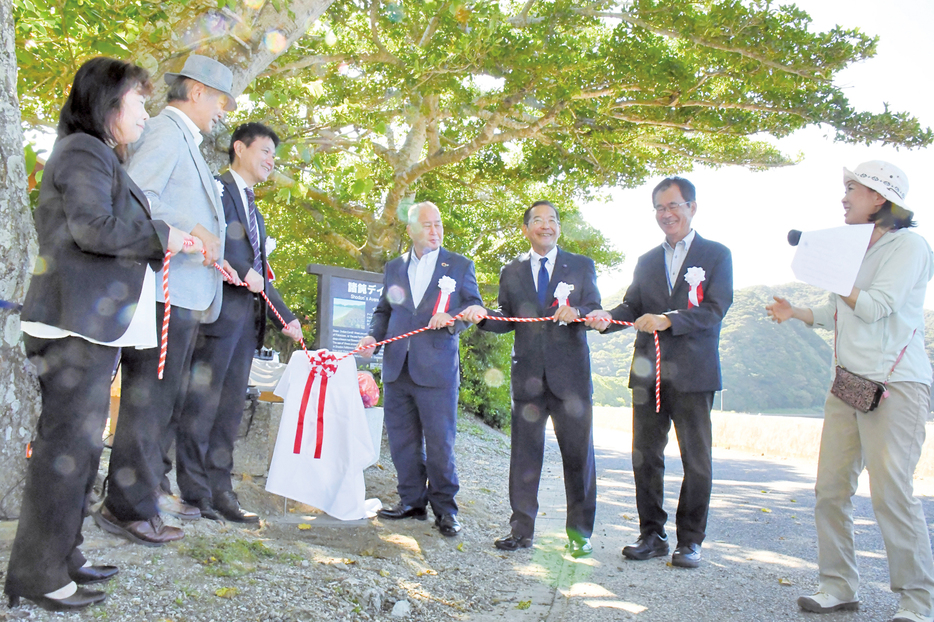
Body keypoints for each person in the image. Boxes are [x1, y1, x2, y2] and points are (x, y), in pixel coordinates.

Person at [4, 57, 201, 611]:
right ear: (108, 104)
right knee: (64, 452)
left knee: (82, 452)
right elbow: (93, 229)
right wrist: (167, 235)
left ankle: (64, 556)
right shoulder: (84, 151)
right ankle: (37, 576)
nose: (144, 112)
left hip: (89, 329)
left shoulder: (97, 155)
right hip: (74, 328)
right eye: (137, 102)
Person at [766, 161, 934, 622]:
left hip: (896, 386)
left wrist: (831, 271)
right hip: (848, 385)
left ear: (879, 199)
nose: (844, 197)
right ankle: (837, 586)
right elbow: (837, 310)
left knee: (891, 492)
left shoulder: (910, 246)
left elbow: (877, 306)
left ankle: (917, 601)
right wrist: (795, 311)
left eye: (852, 189)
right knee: (830, 489)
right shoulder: (856, 250)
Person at [95, 54, 233, 542]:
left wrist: (213, 251)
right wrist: (193, 226)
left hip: (189, 290)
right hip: (164, 291)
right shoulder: (165, 132)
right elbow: (137, 195)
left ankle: (145, 493)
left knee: (164, 402)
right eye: (220, 99)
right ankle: (125, 508)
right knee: (148, 400)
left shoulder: (187, 141)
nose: (223, 111)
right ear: (196, 92)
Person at [585, 177, 733, 569]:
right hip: (646, 375)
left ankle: (691, 540)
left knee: (696, 460)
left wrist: (668, 320)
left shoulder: (717, 255)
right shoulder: (647, 260)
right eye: (659, 208)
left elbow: (714, 310)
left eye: (674, 206)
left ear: (693, 207)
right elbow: (632, 307)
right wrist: (605, 319)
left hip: (694, 375)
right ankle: (651, 534)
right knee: (645, 457)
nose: (666, 214)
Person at [174, 122, 302, 522]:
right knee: (201, 405)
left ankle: (221, 489)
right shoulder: (215, 189)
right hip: (214, 315)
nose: (270, 161)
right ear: (240, 149)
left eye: (273, 156)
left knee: (229, 410)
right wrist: (244, 269)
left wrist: (287, 316)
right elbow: (226, 248)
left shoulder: (257, 211)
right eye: (265, 151)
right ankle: (193, 492)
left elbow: (261, 271)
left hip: (247, 324)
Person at [460, 200, 601, 558]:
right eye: (538, 220)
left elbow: (595, 307)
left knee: (578, 457)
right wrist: (481, 316)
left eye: (552, 220)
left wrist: (580, 312)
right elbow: (507, 319)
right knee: (524, 458)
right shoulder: (513, 270)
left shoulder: (581, 266)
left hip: (571, 380)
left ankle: (580, 535)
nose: (546, 225)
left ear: (558, 228)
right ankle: (521, 531)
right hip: (528, 380)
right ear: (526, 229)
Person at [358, 201, 482, 537]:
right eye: (426, 225)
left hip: (437, 369)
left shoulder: (458, 265)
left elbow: (475, 305)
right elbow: (384, 311)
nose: (435, 231)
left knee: (440, 443)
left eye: (438, 224)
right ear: (411, 229)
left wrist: (454, 319)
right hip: (398, 366)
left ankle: (445, 511)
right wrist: (373, 336)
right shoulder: (394, 267)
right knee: (403, 441)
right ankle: (412, 501)